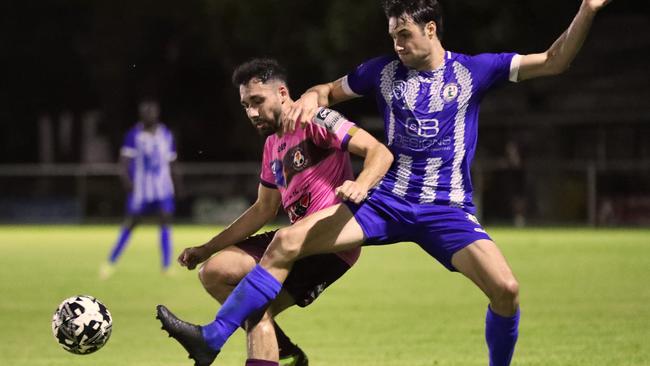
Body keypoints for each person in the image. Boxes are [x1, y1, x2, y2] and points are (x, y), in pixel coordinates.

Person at [155, 0, 613, 365]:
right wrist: (310, 98)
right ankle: (213, 339)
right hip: (387, 200)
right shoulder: (382, 73)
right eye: (392, 35)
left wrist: (587, 10)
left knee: (506, 290)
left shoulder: (475, 70)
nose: (396, 44)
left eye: (404, 34)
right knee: (288, 241)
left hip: (445, 208)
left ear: (430, 29)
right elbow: (327, 90)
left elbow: (554, 62)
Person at [156, 59, 393, 366]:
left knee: (254, 312)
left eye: (257, 101)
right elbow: (263, 209)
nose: (252, 113)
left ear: (282, 93)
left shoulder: (316, 118)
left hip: (330, 244)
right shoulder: (272, 145)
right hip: (292, 242)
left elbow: (379, 151)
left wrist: (361, 185)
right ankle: (282, 348)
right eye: (245, 105)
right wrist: (206, 248)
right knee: (214, 273)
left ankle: (228, 339)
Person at [100, 98, 181, 278]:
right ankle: (110, 262)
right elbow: (123, 163)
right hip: (141, 192)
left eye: (152, 112)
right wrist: (128, 184)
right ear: (141, 115)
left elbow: (172, 162)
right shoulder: (133, 135)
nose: (149, 115)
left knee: (166, 224)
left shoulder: (165, 134)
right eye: (146, 112)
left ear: (157, 113)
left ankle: (167, 266)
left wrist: (177, 185)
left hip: (162, 190)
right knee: (130, 224)